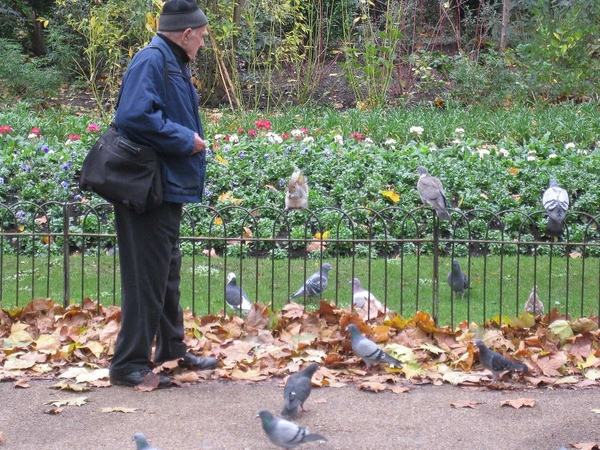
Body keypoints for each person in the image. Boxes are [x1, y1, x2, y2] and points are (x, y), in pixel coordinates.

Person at [108, 0, 217, 388]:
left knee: (165, 274)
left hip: (164, 186)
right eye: (201, 37)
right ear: (185, 34)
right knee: (146, 279)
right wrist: (185, 139)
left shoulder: (173, 60)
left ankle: (171, 349)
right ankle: (128, 364)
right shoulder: (152, 60)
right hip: (148, 190)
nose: (203, 43)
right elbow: (133, 116)